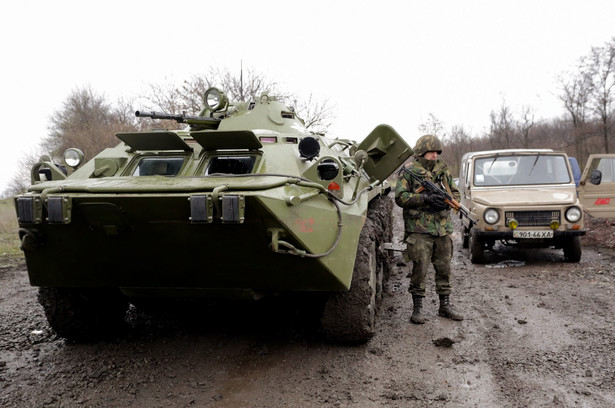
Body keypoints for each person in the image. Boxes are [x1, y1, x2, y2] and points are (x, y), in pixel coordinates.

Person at [395, 134, 464, 324]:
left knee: (444, 268)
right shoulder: (409, 171)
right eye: (431, 152)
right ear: (421, 152)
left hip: (442, 229)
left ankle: (445, 306)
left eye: (437, 152)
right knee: (420, 269)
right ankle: (417, 309)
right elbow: (400, 197)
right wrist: (424, 199)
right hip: (419, 230)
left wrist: (445, 203)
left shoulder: (442, 170)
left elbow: (455, 193)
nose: (434, 155)